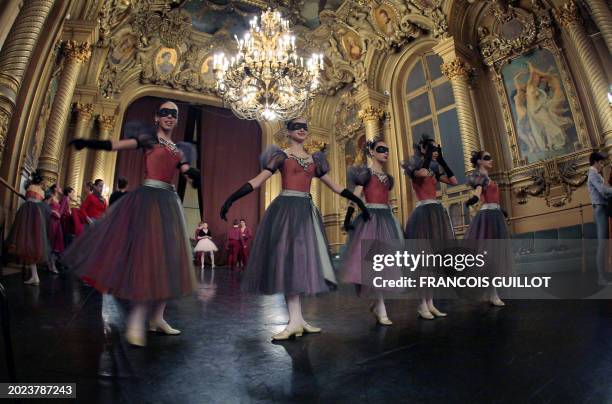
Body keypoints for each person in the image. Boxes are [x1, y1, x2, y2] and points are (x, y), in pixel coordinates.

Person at [63, 100, 201, 347]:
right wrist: (87, 142)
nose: (170, 117)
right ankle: (137, 319)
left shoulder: (180, 149)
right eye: (164, 113)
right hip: (147, 200)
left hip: (169, 202)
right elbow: (116, 145)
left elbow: (186, 172)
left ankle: (157, 319)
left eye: (174, 114)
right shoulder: (148, 139)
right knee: (146, 258)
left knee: (168, 260)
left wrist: (194, 177)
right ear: (156, 117)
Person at [220, 117, 370, 340]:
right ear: (288, 132)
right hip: (286, 212)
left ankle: (299, 319)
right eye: (296, 127)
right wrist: (231, 198)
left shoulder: (315, 160)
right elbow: (258, 180)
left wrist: (358, 202)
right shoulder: (280, 156)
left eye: (305, 127)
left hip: (307, 213)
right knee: (290, 262)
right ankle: (293, 321)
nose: (302, 130)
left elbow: (336, 187)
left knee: (302, 263)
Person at [341, 137, 402, 325]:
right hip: (370, 220)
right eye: (381, 149)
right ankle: (381, 308)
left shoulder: (389, 179)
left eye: (387, 149)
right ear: (372, 152)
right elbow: (355, 196)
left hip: (387, 220)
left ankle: (378, 304)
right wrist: (348, 216)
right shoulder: (365, 174)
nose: (385, 152)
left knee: (385, 265)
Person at [401, 134, 457, 319]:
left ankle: (430, 304)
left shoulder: (433, 168)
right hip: (423, 214)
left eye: (437, 149)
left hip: (436, 214)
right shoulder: (414, 167)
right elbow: (422, 174)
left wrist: (441, 159)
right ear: (424, 149)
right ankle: (421, 305)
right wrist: (428, 157)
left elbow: (454, 181)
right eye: (432, 148)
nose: (435, 152)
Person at [464, 151, 511, 306]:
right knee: (488, 255)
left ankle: (490, 291)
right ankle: (492, 293)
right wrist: (474, 198)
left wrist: (500, 209)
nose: (491, 160)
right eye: (486, 158)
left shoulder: (490, 178)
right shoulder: (479, 177)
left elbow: (493, 197)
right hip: (487, 218)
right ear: (479, 162)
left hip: (495, 215)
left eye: (491, 157)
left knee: (495, 254)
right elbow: (478, 190)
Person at [5, 170, 50, 285]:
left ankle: (35, 277)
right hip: (37, 217)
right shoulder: (42, 191)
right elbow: (38, 200)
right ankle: (35, 277)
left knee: (27, 242)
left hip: (27, 215)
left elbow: (28, 197)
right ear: (40, 182)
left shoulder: (31, 188)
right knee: (33, 243)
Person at [587, 151, 612, 285]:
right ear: (596, 162)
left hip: (602, 209)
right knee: (602, 245)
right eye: (601, 163)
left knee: (604, 244)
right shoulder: (593, 174)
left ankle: (603, 276)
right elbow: (603, 191)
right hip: (600, 210)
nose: (603, 165)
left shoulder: (596, 174)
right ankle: (601, 278)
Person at [46, 184, 64, 274]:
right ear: (55, 189)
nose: (61, 188)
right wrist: (53, 211)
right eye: (59, 187)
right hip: (52, 221)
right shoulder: (51, 197)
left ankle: (52, 264)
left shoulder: (58, 199)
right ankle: (50, 264)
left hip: (57, 222)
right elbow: (45, 207)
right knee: (51, 241)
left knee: (56, 243)